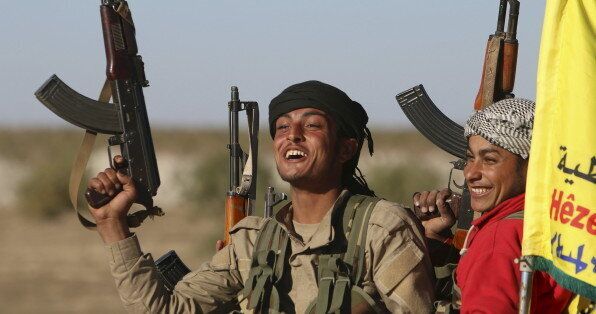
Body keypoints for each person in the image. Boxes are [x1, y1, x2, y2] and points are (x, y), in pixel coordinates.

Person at [88, 80, 435, 313]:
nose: (293, 136)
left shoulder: (383, 228)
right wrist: (112, 224)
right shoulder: (255, 239)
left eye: (312, 126)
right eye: (282, 127)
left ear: (346, 148)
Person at [413, 98, 573, 313]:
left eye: (489, 160)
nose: (470, 173)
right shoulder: (558, 218)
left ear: (533, 165)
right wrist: (437, 241)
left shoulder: (502, 236)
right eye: (470, 158)